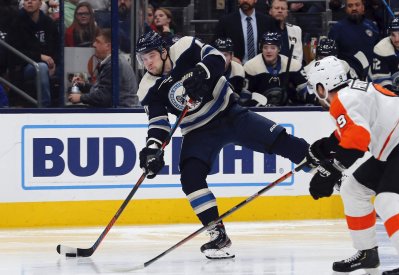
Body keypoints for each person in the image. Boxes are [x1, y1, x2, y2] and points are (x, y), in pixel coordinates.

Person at [135, 31, 314, 259]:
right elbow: (158, 123)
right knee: (190, 177)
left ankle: (327, 170)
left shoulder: (185, 47)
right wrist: (153, 148)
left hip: (230, 114)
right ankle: (217, 235)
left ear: (162, 51)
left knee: (280, 140)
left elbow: (217, 58)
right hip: (198, 131)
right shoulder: (147, 87)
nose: (147, 62)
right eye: (142, 58)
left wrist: (200, 72)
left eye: (150, 55)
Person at [306, 56, 399, 274]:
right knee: (353, 189)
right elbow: (355, 128)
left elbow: (357, 141)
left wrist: (329, 172)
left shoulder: (342, 99)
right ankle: (367, 254)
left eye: (314, 87)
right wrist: (326, 146)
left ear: (322, 87)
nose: (314, 92)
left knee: (388, 200)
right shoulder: (352, 91)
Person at [68, 28, 139, 107]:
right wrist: (84, 86)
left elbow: (104, 97)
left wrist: (81, 98)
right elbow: (104, 90)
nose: (94, 44)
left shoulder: (115, 64)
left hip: (121, 114)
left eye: (98, 42)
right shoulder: (112, 61)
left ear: (108, 46)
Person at [8, 0, 59, 107]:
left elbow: (56, 47)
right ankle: (45, 107)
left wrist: (54, 63)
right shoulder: (16, 22)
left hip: (48, 64)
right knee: (41, 67)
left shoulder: (48, 23)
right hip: (23, 66)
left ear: (40, 3)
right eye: (26, 0)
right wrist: (39, 57)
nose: (29, 2)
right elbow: (13, 52)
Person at [244, 32, 312, 106]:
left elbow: (306, 91)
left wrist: (311, 101)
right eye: (265, 47)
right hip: (259, 111)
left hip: (287, 110)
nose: (268, 51)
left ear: (279, 49)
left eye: (273, 48)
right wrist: (258, 105)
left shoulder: (294, 65)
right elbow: (244, 97)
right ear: (261, 48)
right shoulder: (250, 67)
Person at [328, 0, 380, 80]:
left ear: (363, 7)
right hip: (348, 79)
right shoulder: (337, 29)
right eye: (350, 6)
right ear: (346, 9)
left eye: (357, 5)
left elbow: (379, 52)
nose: (354, 8)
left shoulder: (372, 26)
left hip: (371, 77)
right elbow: (331, 58)